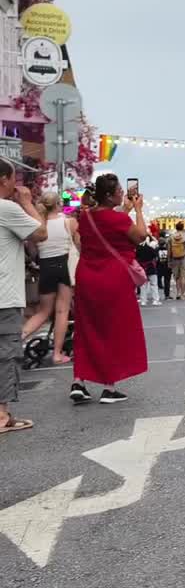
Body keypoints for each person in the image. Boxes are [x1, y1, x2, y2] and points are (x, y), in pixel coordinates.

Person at [70, 174, 148, 405]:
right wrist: (139, 211)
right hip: (113, 279)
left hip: (86, 276)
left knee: (85, 329)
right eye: (119, 192)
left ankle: (79, 382)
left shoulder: (86, 217)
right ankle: (108, 386)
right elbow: (141, 236)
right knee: (113, 331)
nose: (123, 194)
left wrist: (125, 209)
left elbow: (104, 225)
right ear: (109, 195)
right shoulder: (119, 220)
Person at [0, 164, 47, 435]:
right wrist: (27, 202)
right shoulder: (7, 209)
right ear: (5, 179)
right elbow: (40, 233)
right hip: (4, 295)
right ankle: (2, 414)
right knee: (7, 355)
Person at [22, 192, 77, 364]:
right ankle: (57, 354)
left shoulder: (36, 225)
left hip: (45, 268)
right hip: (64, 266)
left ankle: (15, 340)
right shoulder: (69, 222)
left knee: (43, 312)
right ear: (58, 204)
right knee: (62, 311)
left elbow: (32, 253)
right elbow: (79, 245)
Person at [136, 235, 163, 306]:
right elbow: (156, 258)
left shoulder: (138, 248)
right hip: (151, 268)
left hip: (142, 269)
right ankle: (155, 300)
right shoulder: (151, 249)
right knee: (154, 285)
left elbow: (135, 258)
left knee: (143, 285)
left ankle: (143, 301)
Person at [170, 221, 185, 299]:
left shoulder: (171, 237)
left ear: (176, 228)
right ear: (183, 228)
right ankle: (183, 294)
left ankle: (178, 293)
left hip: (174, 258)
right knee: (183, 277)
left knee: (177, 277)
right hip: (184, 258)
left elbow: (169, 249)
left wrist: (169, 260)